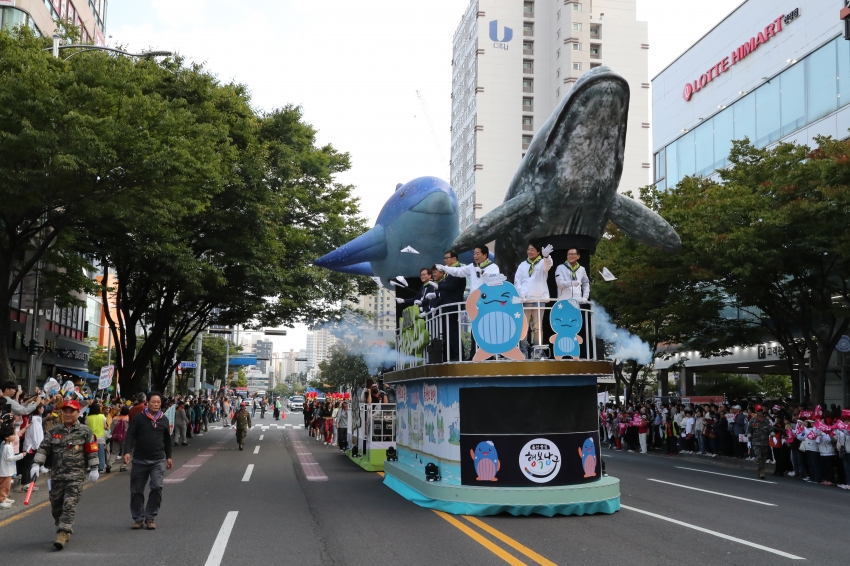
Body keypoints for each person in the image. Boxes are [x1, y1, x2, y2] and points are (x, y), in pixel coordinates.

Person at [30, 399, 99, 549]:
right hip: (57, 476)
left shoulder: (85, 431)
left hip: (76, 476)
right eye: (65, 411)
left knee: (69, 504)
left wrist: (94, 469)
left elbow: (92, 451)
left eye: (71, 411)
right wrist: (36, 464)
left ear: (78, 412)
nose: (67, 414)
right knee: (56, 507)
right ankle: (61, 525)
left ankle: (63, 531)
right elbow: (43, 449)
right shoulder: (54, 431)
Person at [122, 391, 172, 530]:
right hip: (139, 460)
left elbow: (167, 440)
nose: (156, 404)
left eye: (158, 402)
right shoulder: (139, 418)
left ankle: (150, 517)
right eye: (153, 402)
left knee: (157, 487)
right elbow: (130, 435)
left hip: (158, 460)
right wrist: (127, 452)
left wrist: (169, 456)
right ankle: (138, 518)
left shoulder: (164, 419)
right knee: (136, 490)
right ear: (147, 403)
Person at [513, 242, 554, 356]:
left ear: (538, 252)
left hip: (539, 300)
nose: (529, 252)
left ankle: (537, 350)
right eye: (528, 249)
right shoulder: (522, 265)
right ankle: (523, 351)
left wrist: (546, 256)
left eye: (532, 249)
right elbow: (518, 280)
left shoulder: (542, 263)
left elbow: (548, 265)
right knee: (524, 327)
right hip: (525, 301)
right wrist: (521, 293)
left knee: (537, 327)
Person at [430, 250, 466, 362]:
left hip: (452, 305)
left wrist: (438, 287)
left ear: (454, 259)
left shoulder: (458, 270)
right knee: (447, 332)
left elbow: (452, 286)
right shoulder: (449, 272)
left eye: (447, 258)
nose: (445, 260)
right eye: (444, 258)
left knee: (452, 331)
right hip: (446, 306)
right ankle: (450, 354)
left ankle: (458, 354)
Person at [1, 427, 25, 509]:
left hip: (7, 470)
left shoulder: (7, 445)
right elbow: (9, 458)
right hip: (5, 471)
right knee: (5, 486)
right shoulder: (6, 447)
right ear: (6, 437)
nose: (14, 436)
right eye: (12, 435)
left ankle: (4, 498)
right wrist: (21, 455)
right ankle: (2, 501)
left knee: (6, 486)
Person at [745, 404, 771, 480]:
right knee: (758, 457)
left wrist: (772, 434)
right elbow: (749, 430)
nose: (760, 412)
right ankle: (761, 470)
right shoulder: (752, 420)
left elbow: (770, 429)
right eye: (758, 411)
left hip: (765, 442)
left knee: (763, 458)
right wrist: (749, 437)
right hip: (756, 442)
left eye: (761, 411)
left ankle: (761, 469)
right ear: (755, 411)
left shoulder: (766, 420)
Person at [85, 403, 108, 473]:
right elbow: (105, 427)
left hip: (91, 438)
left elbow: (86, 428)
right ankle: (101, 467)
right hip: (101, 437)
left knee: (91, 453)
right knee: (101, 453)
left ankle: (91, 466)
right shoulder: (102, 416)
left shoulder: (88, 418)